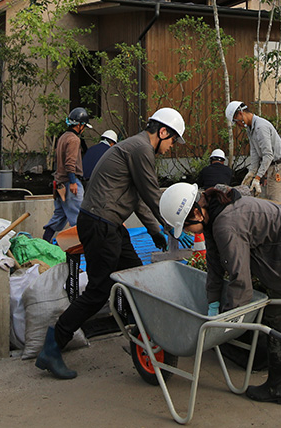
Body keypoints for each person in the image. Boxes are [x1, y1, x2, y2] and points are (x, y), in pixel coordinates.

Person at [36, 108, 187, 379]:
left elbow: (139, 198)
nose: (171, 147)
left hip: (111, 225)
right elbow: (153, 194)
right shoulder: (141, 149)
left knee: (135, 275)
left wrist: (155, 232)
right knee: (99, 289)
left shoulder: (136, 147)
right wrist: (172, 226)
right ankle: (52, 345)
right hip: (100, 224)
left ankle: (141, 332)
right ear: (163, 132)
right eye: (173, 140)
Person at [160, 182, 281, 405]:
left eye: (186, 226)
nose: (188, 232)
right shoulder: (214, 213)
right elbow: (215, 266)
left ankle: (278, 387)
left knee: (278, 318)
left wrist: (227, 323)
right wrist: (213, 302)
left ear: (196, 213)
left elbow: (240, 280)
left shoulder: (225, 225)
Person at [225, 101, 281, 204]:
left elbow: (268, 155)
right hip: (271, 167)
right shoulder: (250, 129)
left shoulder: (260, 127)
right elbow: (254, 152)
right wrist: (252, 172)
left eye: (236, 121)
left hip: (278, 168)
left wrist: (257, 177)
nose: (238, 125)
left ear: (241, 114)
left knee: (277, 205)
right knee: (272, 201)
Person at [42, 107, 92, 242]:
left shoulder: (63, 137)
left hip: (60, 183)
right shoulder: (74, 140)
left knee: (59, 216)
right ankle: (77, 249)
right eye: (84, 126)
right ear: (80, 125)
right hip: (70, 182)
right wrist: (73, 182)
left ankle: (44, 241)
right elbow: (70, 162)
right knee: (79, 218)